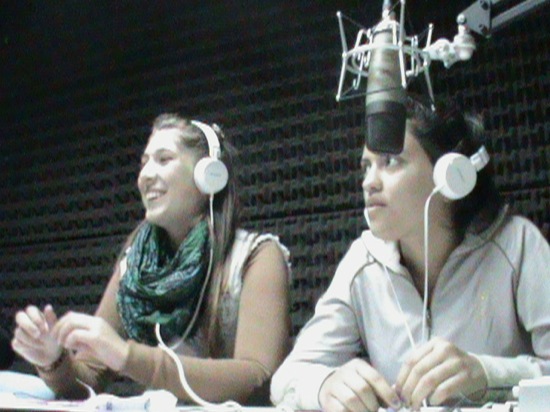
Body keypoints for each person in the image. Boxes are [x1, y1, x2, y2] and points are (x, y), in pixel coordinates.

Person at [270, 95, 550, 411]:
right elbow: (286, 378)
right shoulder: (363, 261)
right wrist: (324, 386)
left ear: (452, 175)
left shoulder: (517, 244)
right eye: (366, 167)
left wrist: (487, 375)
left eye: (390, 162)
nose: (368, 183)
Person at [9, 114, 291, 404]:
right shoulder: (137, 265)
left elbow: (258, 377)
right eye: (144, 163)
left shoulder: (257, 257)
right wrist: (54, 362)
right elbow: (89, 379)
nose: (145, 175)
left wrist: (129, 357)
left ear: (209, 176)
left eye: (164, 159)